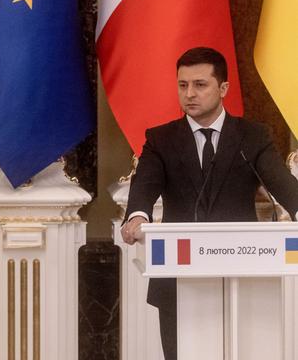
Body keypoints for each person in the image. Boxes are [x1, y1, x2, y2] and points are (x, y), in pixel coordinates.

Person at [120, 46, 298, 360]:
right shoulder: (161, 139)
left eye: (200, 85)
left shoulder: (252, 137)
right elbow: (145, 184)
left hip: (244, 275)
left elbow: (282, 185)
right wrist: (137, 215)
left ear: (223, 88)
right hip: (177, 277)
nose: (190, 94)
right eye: (183, 85)